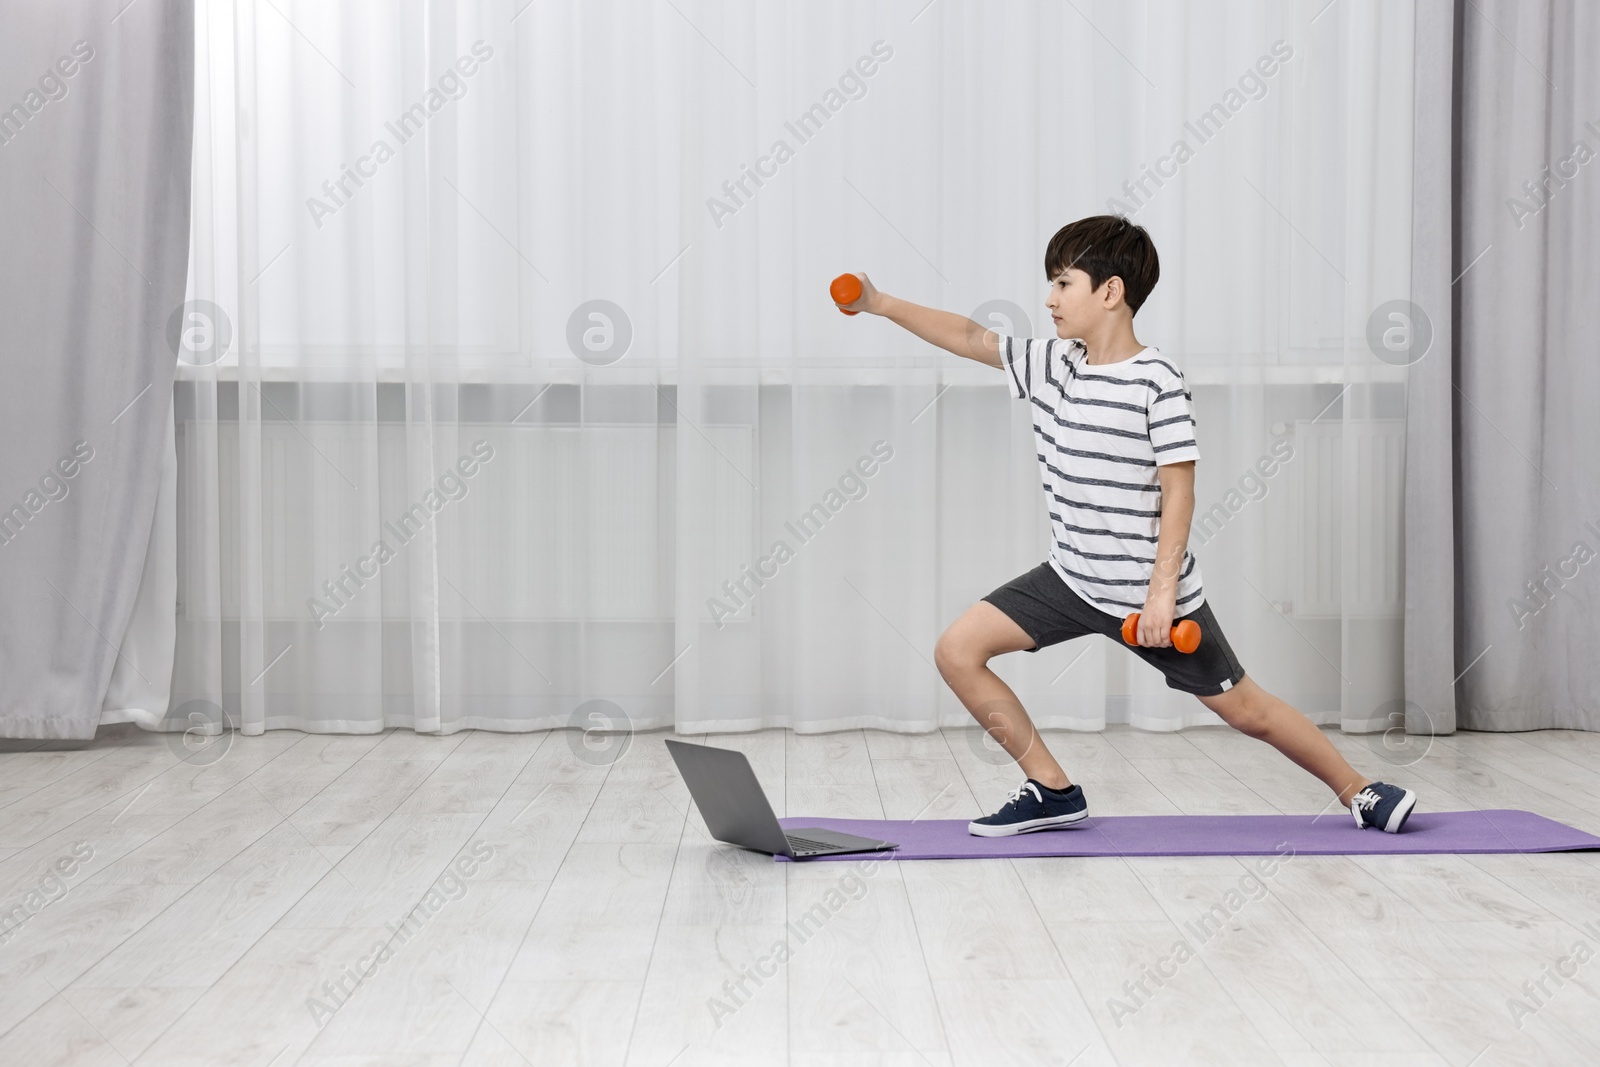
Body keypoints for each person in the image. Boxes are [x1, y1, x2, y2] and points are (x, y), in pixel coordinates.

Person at [833, 215, 1418, 837]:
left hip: (1148, 595)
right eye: (1050, 284)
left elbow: (1179, 489)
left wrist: (1162, 591)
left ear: (1110, 292)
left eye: (1063, 283)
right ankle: (1053, 790)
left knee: (1246, 710)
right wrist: (878, 303)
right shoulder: (1054, 366)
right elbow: (970, 336)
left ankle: (1360, 791)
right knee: (958, 650)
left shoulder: (1156, 380)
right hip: (1071, 578)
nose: (1050, 299)